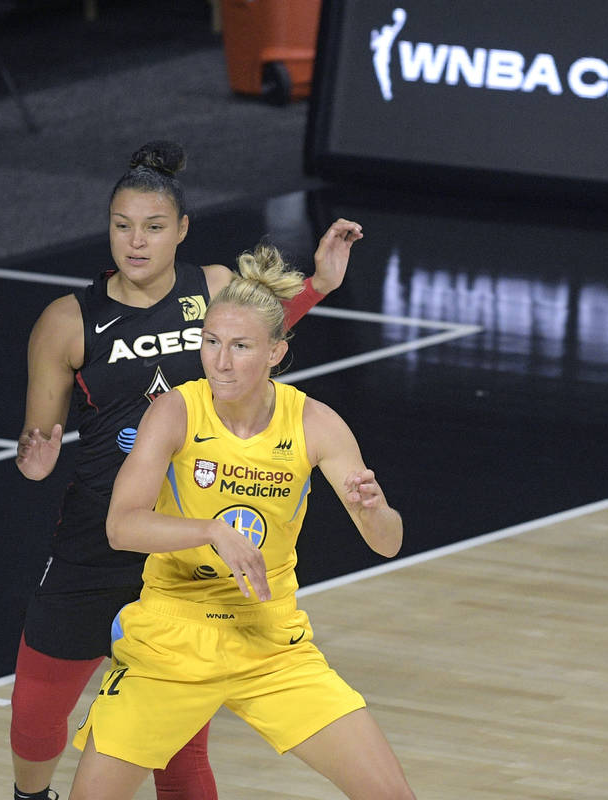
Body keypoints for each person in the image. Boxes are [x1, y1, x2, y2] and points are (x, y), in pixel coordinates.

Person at [9, 139, 361, 800]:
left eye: (153, 227)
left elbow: (258, 334)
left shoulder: (214, 286)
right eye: (122, 226)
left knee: (179, 746)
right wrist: (36, 461)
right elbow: (37, 442)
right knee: (34, 709)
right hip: (97, 536)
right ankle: (30, 796)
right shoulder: (67, 321)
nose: (136, 242)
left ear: (182, 230)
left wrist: (319, 285)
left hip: (184, 545)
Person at [66, 243, 415, 800]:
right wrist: (210, 532)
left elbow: (387, 544)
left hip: (269, 638)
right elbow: (121, 527)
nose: (221, 362)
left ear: (276, 351)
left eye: (241, 346)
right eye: (211, 342)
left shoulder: (315, 423)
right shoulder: (175, 411)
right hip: (172, 634)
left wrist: (375, 511)